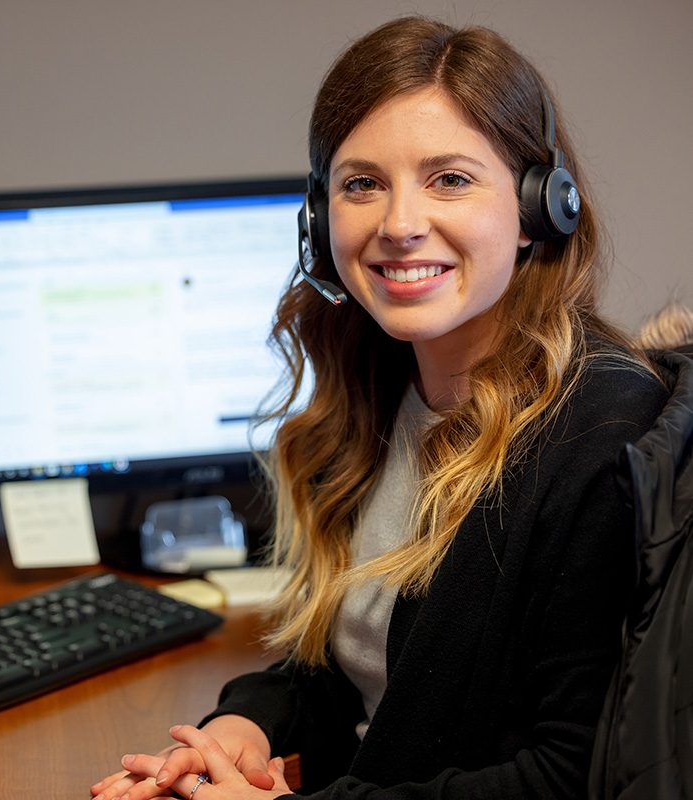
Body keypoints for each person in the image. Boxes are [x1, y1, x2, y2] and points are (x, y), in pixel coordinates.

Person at [89, 15, 681, 800]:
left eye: (450, 179)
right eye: (361, 183)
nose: (400, 225)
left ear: (542, 207)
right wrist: (244, 729)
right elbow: (364, 676)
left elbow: (570, 776)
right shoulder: (380, 392)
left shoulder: (603, 440)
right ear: (318, 216)